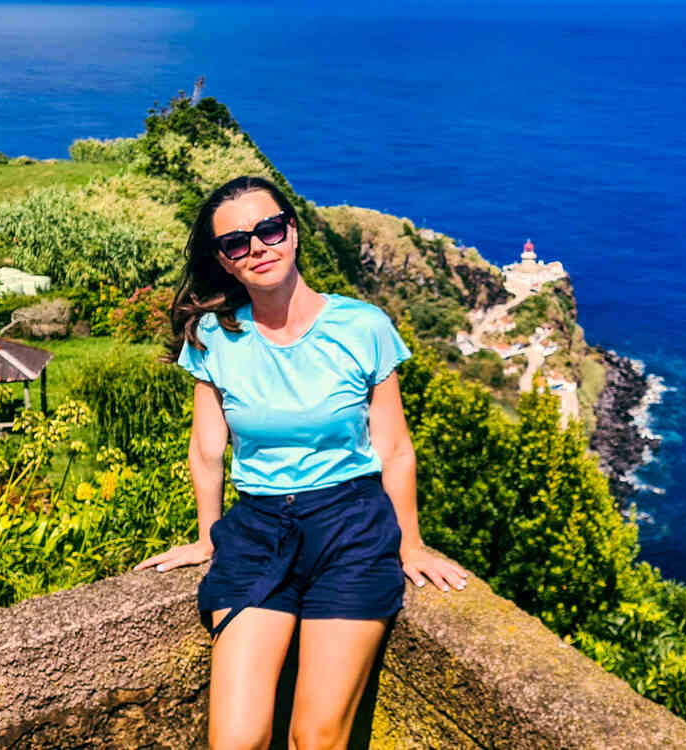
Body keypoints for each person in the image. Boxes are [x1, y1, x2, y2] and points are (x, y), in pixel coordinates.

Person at [134, 175, 469, 750]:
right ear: (224, 260)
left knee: (315, 738)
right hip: (258, 531)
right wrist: (207, 537)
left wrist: (410, 544)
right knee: (235, 740)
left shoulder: (362, 327)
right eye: (237, 242)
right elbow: (206, 450)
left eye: (268, 229)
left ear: (292, 230)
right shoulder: (213, 338)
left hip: (351, 532)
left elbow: (394, 449)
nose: (258, 247)